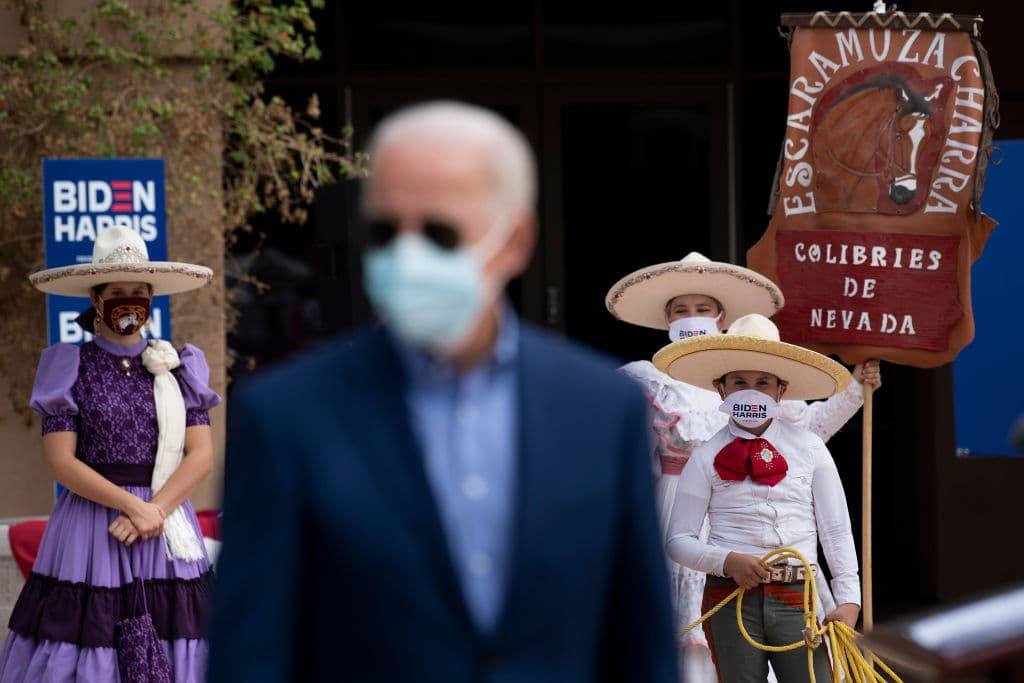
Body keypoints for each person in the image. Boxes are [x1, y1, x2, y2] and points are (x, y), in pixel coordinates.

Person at [207, 101, 677, 683]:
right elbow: (249, 658)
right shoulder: (282, 418)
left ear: (515, 242)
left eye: (439, 231)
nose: (408, 255)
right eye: (384, 232)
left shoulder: (603, 413)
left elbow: (641, 650)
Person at [604, 251, 880, 680]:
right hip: (678, 510)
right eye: (681, 309)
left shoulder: (790, 424)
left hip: (787, 574)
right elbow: (627, 460)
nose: (692, 316)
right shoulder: (648, 379)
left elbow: (829, 500)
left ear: (721, 316)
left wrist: (857, 389)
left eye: (702, 309)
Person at [0, 226, 220, 682]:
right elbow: (61, 460)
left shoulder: (178, 367)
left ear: (152, 296)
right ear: (96, 299)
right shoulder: (70, 365)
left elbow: (200, 455)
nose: (129, 300)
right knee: (88, 640)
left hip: (165, 520)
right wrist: (131, 506)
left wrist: (153, 511)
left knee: (173, 637)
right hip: (94, 525)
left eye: (138, 291)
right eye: (117, 291)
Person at [658, 313, 861, 681]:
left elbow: (836, 531)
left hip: (799, 596)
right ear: (721, 388)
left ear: (780, 389)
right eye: (740, 382)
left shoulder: (811, 449)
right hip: (729, 597)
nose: (751, 390)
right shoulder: (704, 456)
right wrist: (726, 560)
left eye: (762, 382)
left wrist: (849, 599)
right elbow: (678, 540)